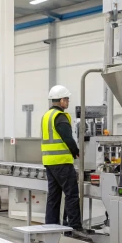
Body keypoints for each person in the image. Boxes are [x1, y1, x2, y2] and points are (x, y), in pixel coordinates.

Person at [41, 85, 85, 235]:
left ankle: (51, 230)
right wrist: (76, 152)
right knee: (71, 195)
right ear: (61, 100)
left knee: (53, 197)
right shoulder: (60, 117)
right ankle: (74, 229)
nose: (68, 102)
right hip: (62, 163)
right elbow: (67, 137)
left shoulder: (47, 116)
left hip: (49, 162)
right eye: (67, 99)